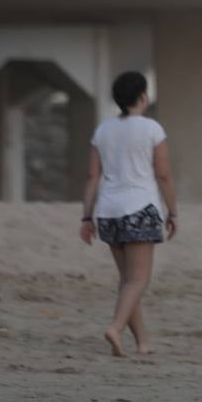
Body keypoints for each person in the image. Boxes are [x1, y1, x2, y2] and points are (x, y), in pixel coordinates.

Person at [79, 71, 177, 357]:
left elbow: (91, 176)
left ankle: (142, 342)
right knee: (138, 279)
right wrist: (174, 211)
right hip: (140, 207)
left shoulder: (103, 130)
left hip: (108, 210)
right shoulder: (151, 129)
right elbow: (163, 174)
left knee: (127, 281)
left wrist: (87, 217)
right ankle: (115, 327)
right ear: (143, 96)